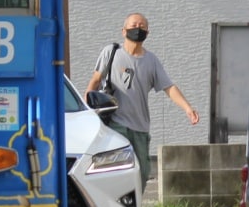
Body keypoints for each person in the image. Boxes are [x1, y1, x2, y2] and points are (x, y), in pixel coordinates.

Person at [85, 13, 199, 187]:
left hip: (140, 127)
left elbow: (169, 87)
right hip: (114, 123)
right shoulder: (111, 52)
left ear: (147, 32)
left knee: (143, 173)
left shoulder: (151, 61)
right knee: (118, 171)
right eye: (133, 25)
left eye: (142, 26)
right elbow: (95, 80)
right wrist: (88, 108)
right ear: (123, 31)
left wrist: (187, 108)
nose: (137, 28)